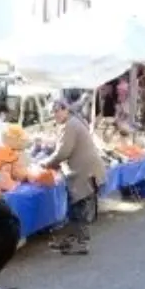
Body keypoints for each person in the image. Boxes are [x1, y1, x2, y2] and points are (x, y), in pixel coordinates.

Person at [40, 100, 106, 256]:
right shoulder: (73, 122)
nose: (54, 115)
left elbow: (63, 152)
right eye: (52, 112)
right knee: (77, 208)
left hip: (83, 173)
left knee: (78, 209)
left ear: (65, 110)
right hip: (87, 171)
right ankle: (72, 240)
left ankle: (81, 243)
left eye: (56, 111)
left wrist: (46, 164)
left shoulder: (70, 125)